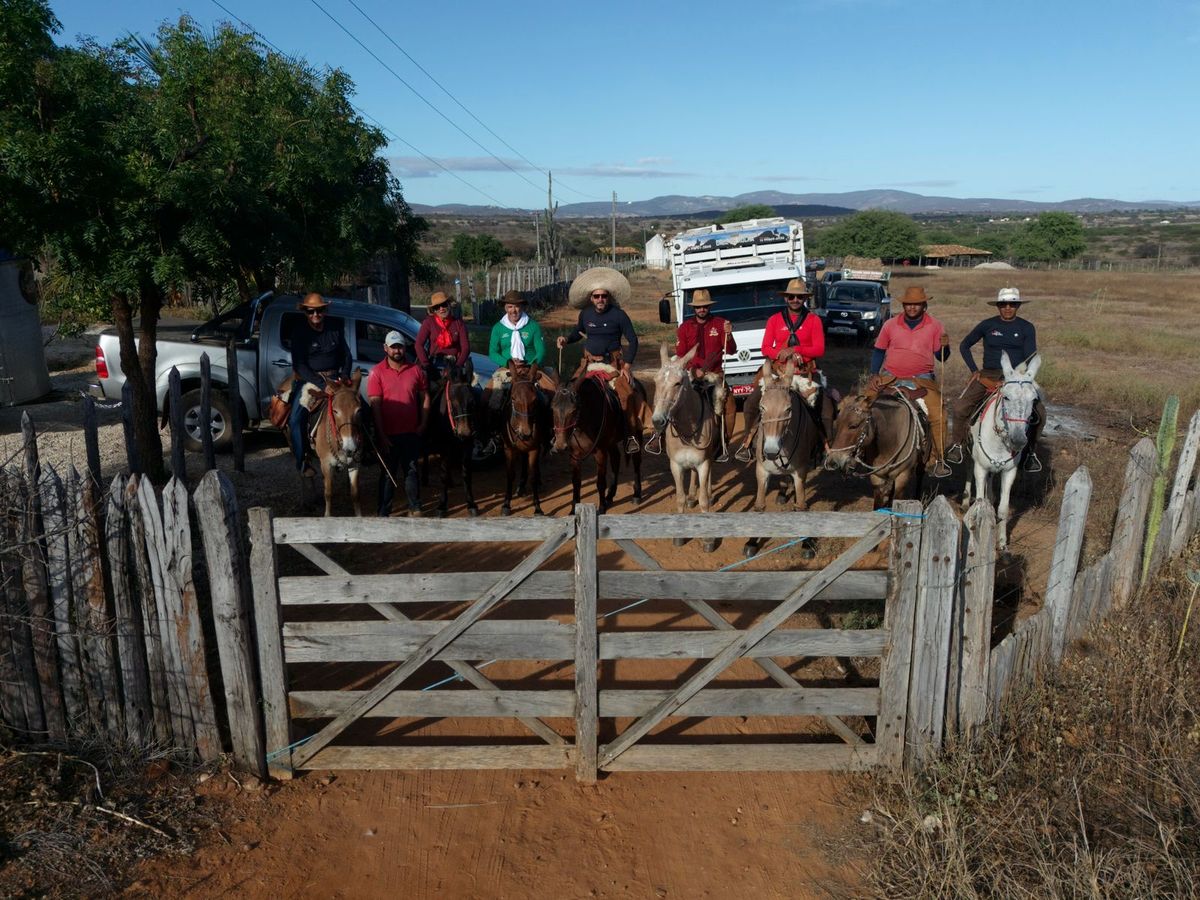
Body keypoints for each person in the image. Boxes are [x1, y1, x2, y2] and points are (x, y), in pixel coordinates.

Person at [948, 287, 1045, 472]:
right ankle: (957, 446)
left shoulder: (1026, 327)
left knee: (1040, 413)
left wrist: (1022, 378)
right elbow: (964, 345)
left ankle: (1030, 453)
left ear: (1018, 306)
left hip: (1016, 378)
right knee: (960, 407)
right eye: (1003, 304)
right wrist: (974, 370)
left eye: (1012, 304)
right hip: (988, 375)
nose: (1008, 308)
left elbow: (1031, 355)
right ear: (998, 306)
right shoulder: (987, 325)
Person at [556, 267, 649, 454]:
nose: (600, 300)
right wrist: (566, 339)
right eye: (596, 296)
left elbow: (633, 340)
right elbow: (577, 333)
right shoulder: (586, 314)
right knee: (568, 392)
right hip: (588, 364)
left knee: (626, 395)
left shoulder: (619, 315)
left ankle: (630, 435)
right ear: (591, 298)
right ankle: (567, 433)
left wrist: (627, 365)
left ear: (609, 297)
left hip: (612, 365)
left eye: (603, 296)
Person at [735, 278, 829, 463]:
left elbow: (819, 349)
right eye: (791, 296)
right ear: (786, 298)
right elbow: (765, 348)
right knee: (751, 404)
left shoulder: (813, 320)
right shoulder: (774, 320)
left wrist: (796, 350)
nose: (795, 299)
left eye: (799, 297)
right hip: (778, 375)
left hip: (803, 375)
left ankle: (823, 447)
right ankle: (748, 444)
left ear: (804, 299)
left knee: (826, 408)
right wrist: (781, 354)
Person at [867, 285, 952, 477]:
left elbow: (942, 357)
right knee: (862, 404)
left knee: (939, 414)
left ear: (924, 305)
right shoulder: (890, 324)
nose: (912, 308)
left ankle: (939, 459)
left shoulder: (935, 325)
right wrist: (874, 374)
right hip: (890, 376)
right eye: (908, 304)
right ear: (903, 305)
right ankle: (855, 453)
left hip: (922, 379)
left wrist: (945, 347)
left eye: (917, 304)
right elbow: (879, 351)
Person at [663, 288, 736, 459]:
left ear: (709, 307)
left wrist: (729, 334)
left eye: (704, 306)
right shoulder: (685, 327)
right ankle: (658, 435)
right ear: (693, 308)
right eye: (698, 307)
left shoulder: (720, 323)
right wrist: (693, 369)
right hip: (690, 374)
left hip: (715, 374)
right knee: (671, 396)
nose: (701, 309)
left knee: (729, 404)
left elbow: (731, 350)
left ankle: (723, 443)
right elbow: (681, 354)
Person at [480, 290, 555, 455]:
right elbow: (493, 352)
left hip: (530, 368)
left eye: (517, 306)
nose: (514, 310)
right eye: (510, 306)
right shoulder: (498, 328)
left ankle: (551, 434)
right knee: (489, 397)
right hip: (507, 369)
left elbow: (541, 350)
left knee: (552, 392)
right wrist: (507, 362)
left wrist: (530, 363)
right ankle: (493, 436)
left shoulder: (533, 326)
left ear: (522, 307)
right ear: (505, 308)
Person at [368, 330, 430, 517]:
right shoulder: (377, 372)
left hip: (411, 431)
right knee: (388, 473)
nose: (397, 350)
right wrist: (382, 434)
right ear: (385, 348)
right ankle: (384, 511)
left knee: (411, 470)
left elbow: (424, 397)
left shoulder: (415, 370)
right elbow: (375, 405)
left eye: (400, 346)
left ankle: (415, 506)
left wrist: (423, 424)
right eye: (393, 347)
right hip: (389, 434)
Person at [289, 292, 352, 474]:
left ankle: (365, 450)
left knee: (361, 408)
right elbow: (299, 365)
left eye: (319, 311)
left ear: (324, 310)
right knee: (295, 420)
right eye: (311, 312)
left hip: (336, 377)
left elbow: (346, 355)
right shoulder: (299, 332)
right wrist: (321, 383)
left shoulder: (334, 327)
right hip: (311, 380)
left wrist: (345, 375)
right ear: (306, 312)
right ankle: (303, 461)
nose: (315, 315)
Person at [415, 291, 470, 381]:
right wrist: (426, 365)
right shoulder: (428, 322)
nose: (441, 309)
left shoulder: (459, 323)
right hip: (435, 362)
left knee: (473, 389)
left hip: (455, 362)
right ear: (434, 310)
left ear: (449, 305)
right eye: (437, 307)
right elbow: (418, 345)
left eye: (444, 305)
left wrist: (458, 365)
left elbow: (466, 348)